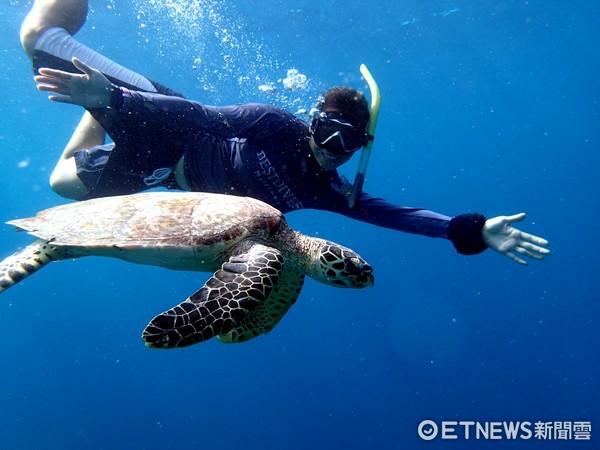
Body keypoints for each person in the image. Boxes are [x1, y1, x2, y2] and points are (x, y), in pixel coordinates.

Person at [20, 0, 550, 265]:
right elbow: (194, 117)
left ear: (356, 149)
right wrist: (111, 99)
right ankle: (101, 107)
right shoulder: (273, 124)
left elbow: (399, 216)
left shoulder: (329, 191)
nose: (327, 148)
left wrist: (471, 230)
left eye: (343, 142)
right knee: (39, 38)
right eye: (323, 130)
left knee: (59, 188)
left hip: (164, 175)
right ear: (310, 122)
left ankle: (97, 116)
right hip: (164, 120)